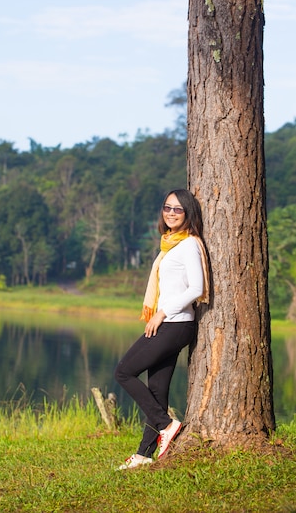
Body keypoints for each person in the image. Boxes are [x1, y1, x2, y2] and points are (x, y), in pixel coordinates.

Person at [114, 188, 209, 469]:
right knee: (157, 390)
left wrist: (162, 313)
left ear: (188, 213)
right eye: (167, 208)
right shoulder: (169, 244)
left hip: (174, 324)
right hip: (167, 322)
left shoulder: (190, 244)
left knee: (124, 371)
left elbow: (197, 288)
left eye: (177, 209)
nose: (170, 213)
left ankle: (166, 425)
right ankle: (144, 454)